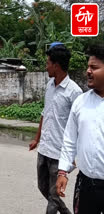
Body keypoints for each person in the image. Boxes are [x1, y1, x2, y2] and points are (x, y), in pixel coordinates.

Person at [29, 42, 82, 214]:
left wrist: (74, 155)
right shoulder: (49, 86)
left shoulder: (74, 92)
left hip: (60, 153)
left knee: (53, 196)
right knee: (43, 187)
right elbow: (45, 114)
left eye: (47, 63)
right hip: (44, 148)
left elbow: (80, 125)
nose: (46, 67)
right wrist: (37, 139)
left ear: (56, 66)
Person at [56, 44, 104, 214]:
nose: (88, 71)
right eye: (88, 67)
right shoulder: (80, 102)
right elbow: (69, 140)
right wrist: (63, 171)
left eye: (94, 67)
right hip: (86, 186)